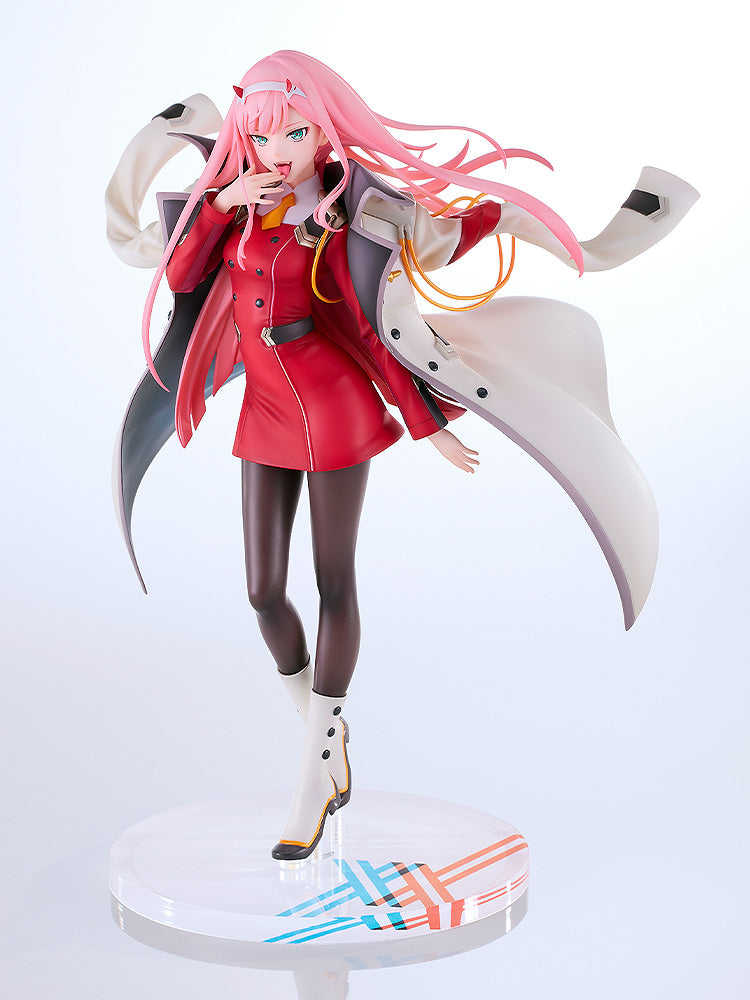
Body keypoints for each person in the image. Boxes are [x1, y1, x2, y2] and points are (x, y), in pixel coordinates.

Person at [106, 50, 698, 861]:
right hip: (266, 409)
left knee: (333, 582)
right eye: (263, 136)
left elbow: (371, 326)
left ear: (324, 133)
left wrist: (427, 423)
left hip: (333, 405)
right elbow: (180, 275)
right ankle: (326, 736)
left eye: (296, 134)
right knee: (261, 592)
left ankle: (315, 774)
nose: (278, 152)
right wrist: (221, 201)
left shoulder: (348, 217)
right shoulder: (236, 206)